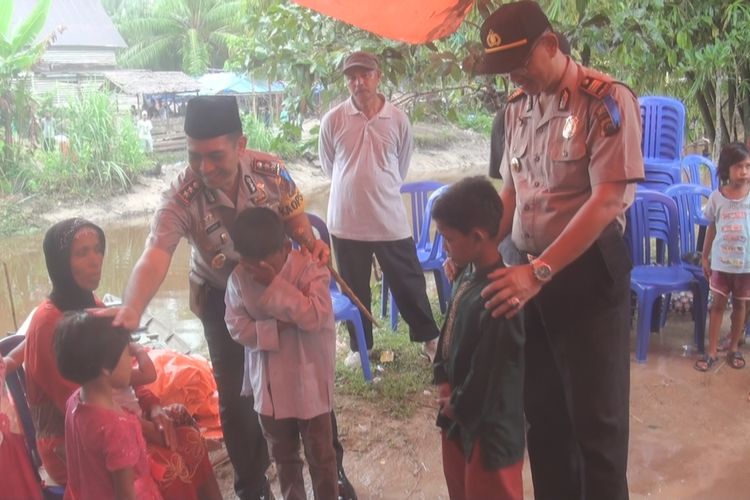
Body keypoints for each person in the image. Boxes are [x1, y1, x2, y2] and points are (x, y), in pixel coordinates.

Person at [106, 95, 356, 500]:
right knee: (239, 401)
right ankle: (252, 487)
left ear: (240, 146)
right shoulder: (181, 196)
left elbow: (295, 218)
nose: (203, 168)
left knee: (311, 381)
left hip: (283, 287)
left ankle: (334, 470)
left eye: (214, 155)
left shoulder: (271, 170)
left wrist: (309, 242)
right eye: (193, 156)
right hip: (224, 299)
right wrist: (132, 309)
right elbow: (155, 253)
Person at [473, 2, 644, 499]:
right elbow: (512, 191)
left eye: (521, 64)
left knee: (598, 427)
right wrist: (483, 247)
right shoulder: (515, 109)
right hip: (529, 274)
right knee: (543, 420)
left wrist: (537, 272)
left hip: (587, 277)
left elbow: (608, 197)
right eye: (507, 71)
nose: (516, 77)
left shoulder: (605, 101)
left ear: (550, 45)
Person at [19, 218, 220, 499]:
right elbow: (89, 402)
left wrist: (154, 408)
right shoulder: (49, 325)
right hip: (74, 441)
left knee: (185, 432)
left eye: (97, 249)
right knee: (171, 463)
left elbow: (126, 368)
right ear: (60, 263)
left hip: (115, 418)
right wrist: (149, 430)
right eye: (82, 253)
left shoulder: (95, 307)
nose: (95, 260)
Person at [319, 50, 440, 365]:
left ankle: (431, 340)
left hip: (389, 220)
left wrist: (377, 186)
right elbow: (329, 167)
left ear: (378, 75)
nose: (358, 83)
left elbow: (400, 167)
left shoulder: (398, 119)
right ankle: (361, 348)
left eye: (365, 75)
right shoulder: (332, 120)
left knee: (409, 280)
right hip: (345, 223)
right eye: (351, 77)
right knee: (354, 288)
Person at [226, 207, 337, 499]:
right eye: (248, 263)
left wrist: (274, 285)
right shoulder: (238, 279)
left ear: (286, 247)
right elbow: (236, 327)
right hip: (271, 389)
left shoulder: (310, 269)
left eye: (263, 262)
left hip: (309, 380)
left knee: (321, 455)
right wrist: (278, 328)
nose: (255, 270)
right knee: (284, 457)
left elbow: (317, 316)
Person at [432, 177, 525, 500]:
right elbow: (449, 329)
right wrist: (442, 376)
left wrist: (458, 404)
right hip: (458, 417)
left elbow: (491, 369)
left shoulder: (502, 295)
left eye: (448, 239)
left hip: (490, 432)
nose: (445, 247)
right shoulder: (466, 272)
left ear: (477, 237)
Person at [54, 311, 163, 500]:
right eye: (126, 354)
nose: (131, 362)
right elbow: (126, 495)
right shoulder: (117, 427)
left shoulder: (74, 402)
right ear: (105, 366)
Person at [695, 142, 750, 371]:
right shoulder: (717, 198)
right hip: (720, 264)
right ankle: (712, 351)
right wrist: (705, 257)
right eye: (739, 166)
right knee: (716, 306)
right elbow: (711, 228)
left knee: (740, 307)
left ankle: (734, 348)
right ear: (727, 169)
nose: (745, 172)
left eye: (748, 166)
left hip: (746, 266)